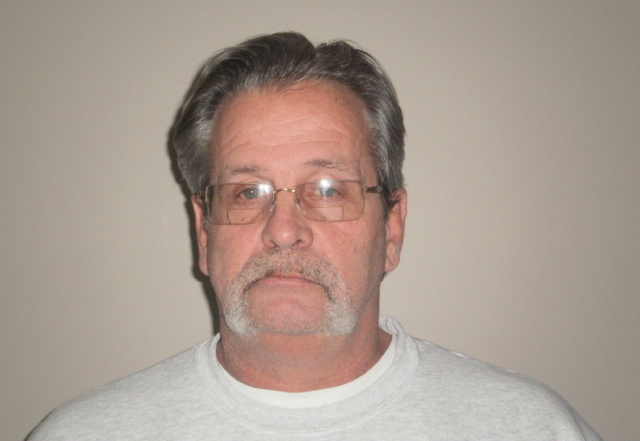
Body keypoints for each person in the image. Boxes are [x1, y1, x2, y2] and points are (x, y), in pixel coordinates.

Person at [29, 32, 602, 440]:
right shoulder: (80, 434)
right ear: (203, 233)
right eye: (247, 192)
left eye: (328, 189)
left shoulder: (531, 428)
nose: (283, 230)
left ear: (392, 228)